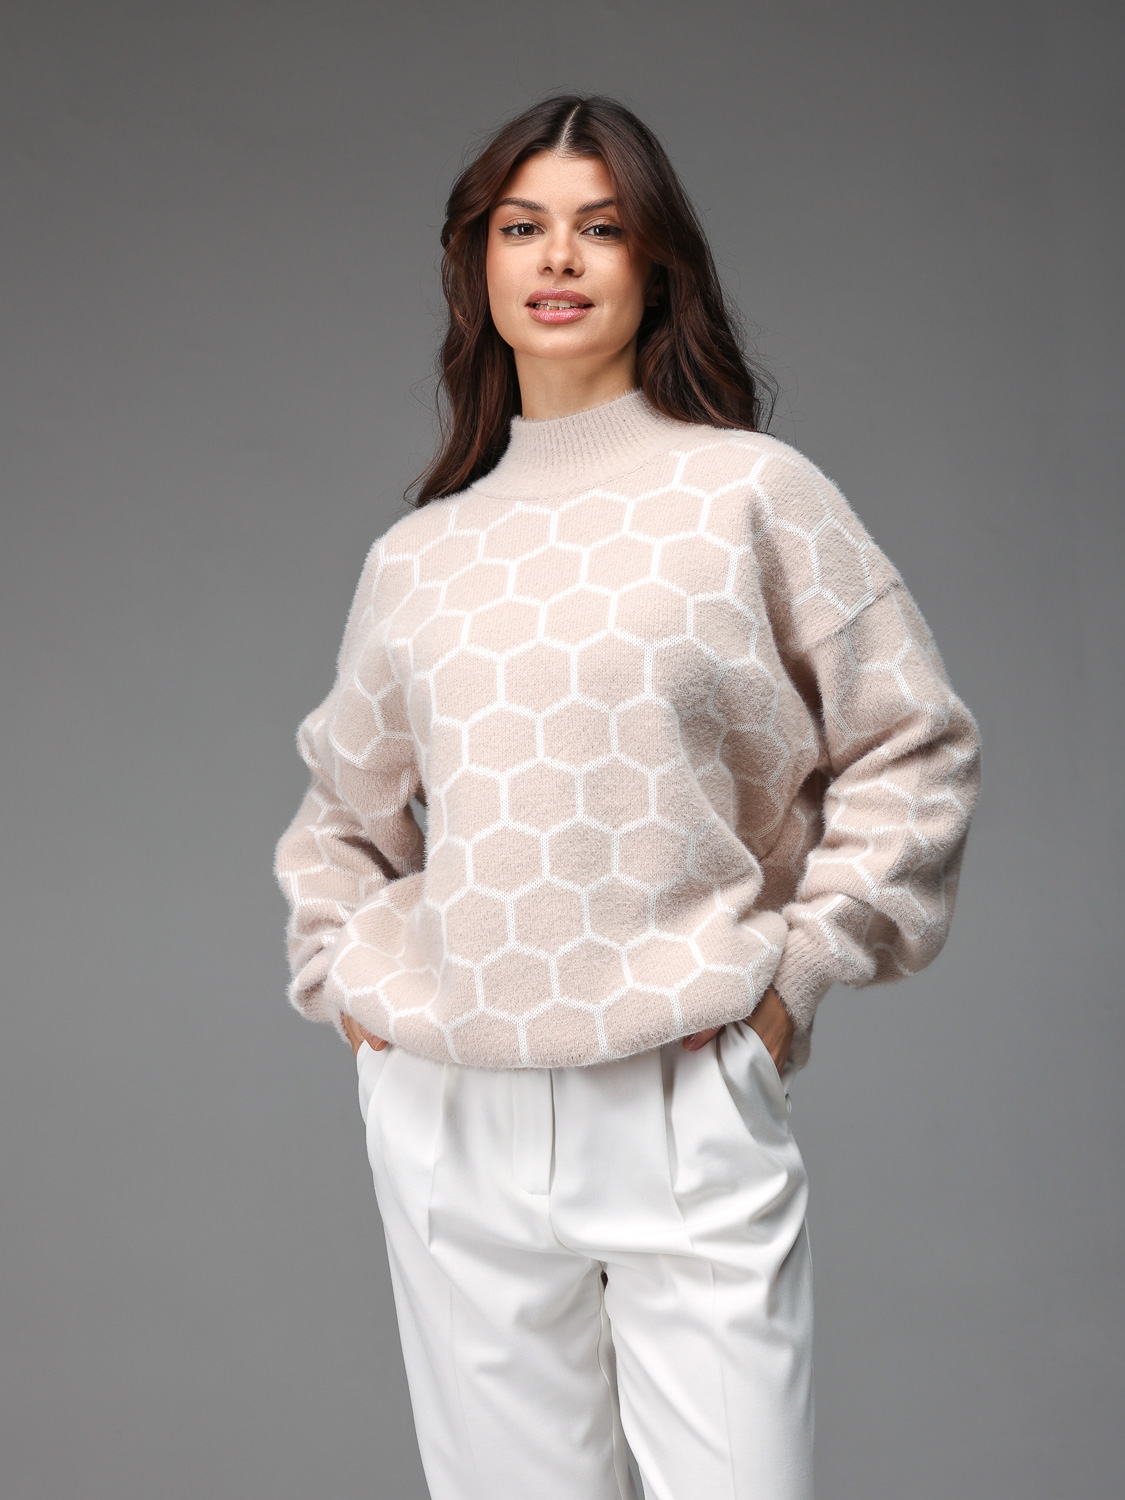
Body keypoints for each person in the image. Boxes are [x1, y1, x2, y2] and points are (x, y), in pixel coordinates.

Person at [274, 95, 981, 1500]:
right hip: (452, 1105)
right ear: (476, 264)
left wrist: (797, 975)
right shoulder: (419, 558)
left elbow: (914, 744)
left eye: (600, 228)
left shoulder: (752, 495)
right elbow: (343, 817)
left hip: (680, 1078)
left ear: (656, 266)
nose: (558, 258)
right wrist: (348, 981)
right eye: (521, 227)